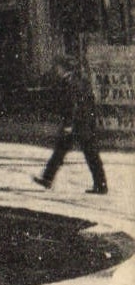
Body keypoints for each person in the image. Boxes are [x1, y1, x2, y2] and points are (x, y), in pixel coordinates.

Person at [34, 55, 107, 195]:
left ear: (63, 68)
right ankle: (47, 178)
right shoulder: (78, 81)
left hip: (78, 124)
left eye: (58, 67)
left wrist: (68, 124)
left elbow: (72, 106)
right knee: (62, 151)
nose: (56, 70)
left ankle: (101, 185)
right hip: (82, 123)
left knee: (88, 153)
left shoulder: (71, 83)